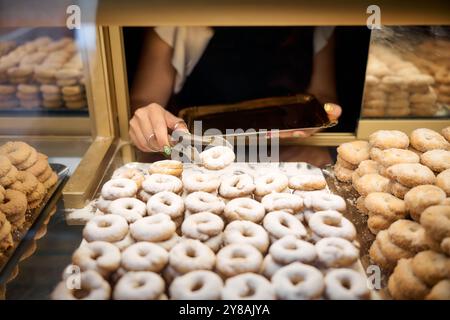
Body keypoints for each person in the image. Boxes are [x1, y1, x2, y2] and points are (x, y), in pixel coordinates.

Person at [128, 26, 342, 153]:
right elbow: (143, 98)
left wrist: (321, 114)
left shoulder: (318, 12)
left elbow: (323, 94)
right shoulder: (179, 16)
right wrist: (149, 119)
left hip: (287, 152)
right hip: (196, 153)